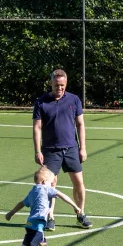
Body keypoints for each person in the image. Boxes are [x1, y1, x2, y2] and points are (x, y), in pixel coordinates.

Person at [0, 166, 81, 246]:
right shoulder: (46, 188)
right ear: (45, 182)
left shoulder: (33, 191)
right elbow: (62, 195)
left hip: (32, 224)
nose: (52, 184)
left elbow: (22, 203)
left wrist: (11, 213)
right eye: (51, 182)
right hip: (37, 224)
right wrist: (75, 206)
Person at [33, 69, 92, 230]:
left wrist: (83, 148)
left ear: (66, 84)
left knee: (79, 182)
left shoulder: (74, 100)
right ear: (51, 83)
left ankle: (80, 214)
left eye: (62, 85)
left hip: (72, 148)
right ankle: (50, 217)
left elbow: (80, 124)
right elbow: (37, 127)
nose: (59, 88)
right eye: (57, 85)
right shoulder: (41, 102)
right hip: (51, 149)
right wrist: (37, 150)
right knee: (50, 184)